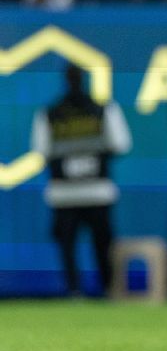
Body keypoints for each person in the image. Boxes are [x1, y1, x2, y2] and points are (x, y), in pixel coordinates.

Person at [31, 65, 132, 297]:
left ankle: (74, 289)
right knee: (101, 244)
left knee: (69, 245)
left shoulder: (50, 113)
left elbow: (41, 150)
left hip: (64, 193)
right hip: (97, 191)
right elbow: (122, 144)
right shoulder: (102, 109)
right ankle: (106, 288)